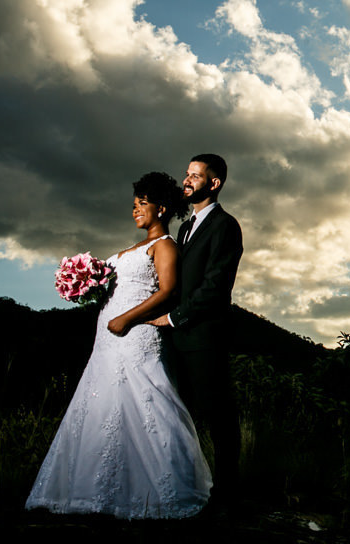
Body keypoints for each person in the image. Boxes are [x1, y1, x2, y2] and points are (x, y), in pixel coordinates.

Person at [25, 172, 212, 519]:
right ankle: (95, 488)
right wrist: (83, 285)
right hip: (106, 338)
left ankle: (161, 490)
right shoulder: (129, 250)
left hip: (136, 335)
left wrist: (126, 318)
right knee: (102, 403)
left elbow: (167, 291)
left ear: (162, 208)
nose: (135, 210)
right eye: (134, 205)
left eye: (142, 204)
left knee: (146, 402)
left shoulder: (165, 245)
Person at [150, 153, 243, 510]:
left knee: (218, 415)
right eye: (186, 174)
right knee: (179, 414)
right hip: (177, 339)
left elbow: (215, 286)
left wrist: (174, 318)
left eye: (194, 175)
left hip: (204, 337)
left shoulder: (225, 225)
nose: (186, 180)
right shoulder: (184, 227)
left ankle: (226, 495)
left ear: (214, 183)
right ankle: (183, 486)